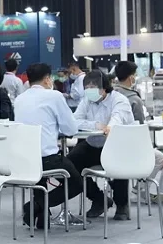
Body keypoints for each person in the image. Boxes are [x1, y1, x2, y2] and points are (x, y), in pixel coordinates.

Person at [15, 63, 81, 227]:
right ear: (46, 79)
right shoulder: (54, 96)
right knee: (77, 183)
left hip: (23, 159)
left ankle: (41, 216)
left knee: (41, 177)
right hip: (47, 159)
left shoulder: (19, 99)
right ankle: (35, 206)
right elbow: (71, 129)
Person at [66, 70, 136, 221]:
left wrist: (109, 127)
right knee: (69, 164)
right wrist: (95, 125)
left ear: (104, 87)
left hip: (116, 145)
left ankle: (122, 204)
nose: (89, 90)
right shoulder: (86, 101)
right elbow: (74, 121)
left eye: (93, 87)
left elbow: (118, 118)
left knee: (118, 165)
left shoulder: (119, 100)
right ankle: (99, 199)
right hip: (93, 144)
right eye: (87, 87)